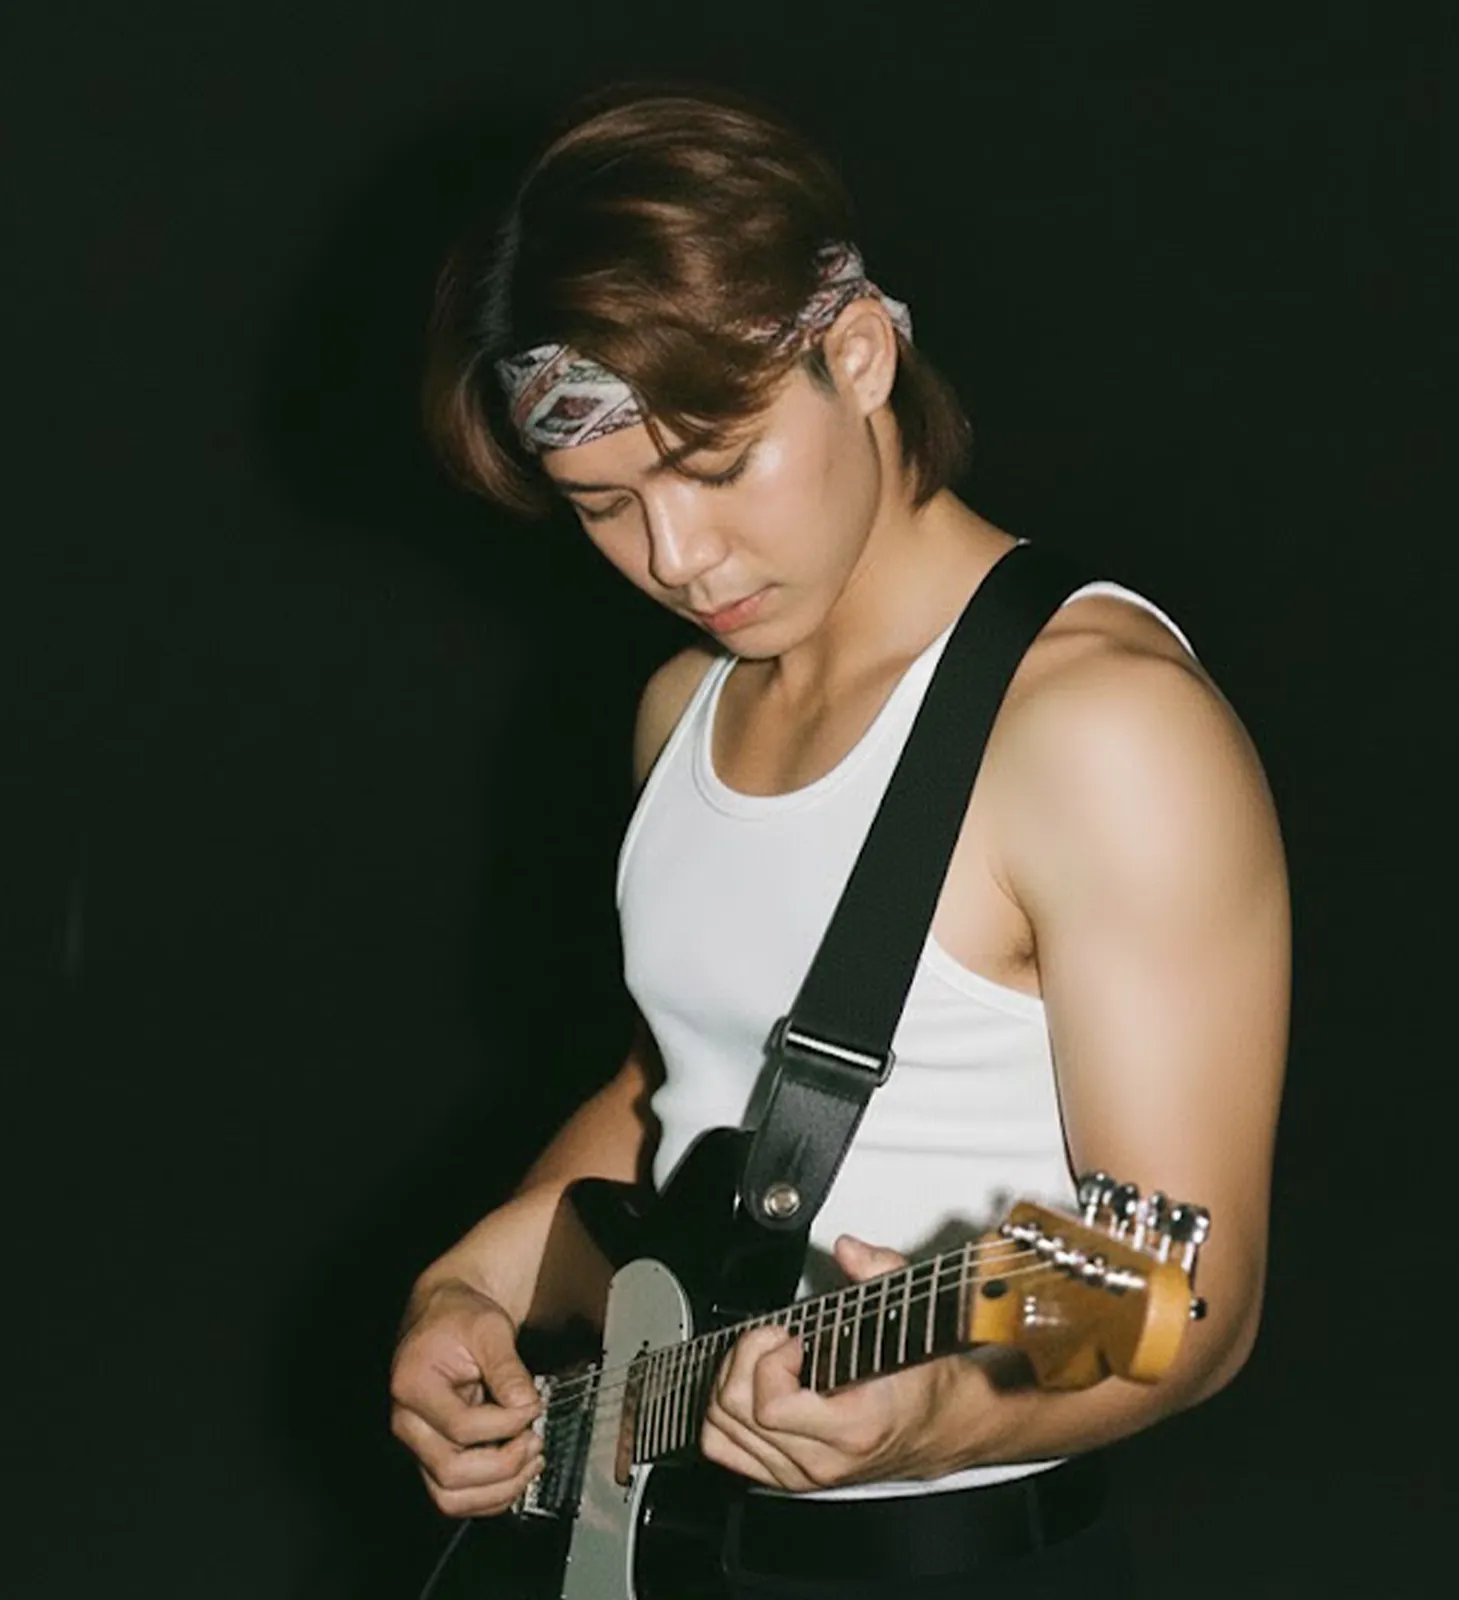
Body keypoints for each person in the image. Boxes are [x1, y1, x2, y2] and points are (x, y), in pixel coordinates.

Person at [389, 86, 1290, 1598]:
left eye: (716, 465)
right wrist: (472, 1283)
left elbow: (1191, 1292)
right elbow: (684, 1080)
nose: (677, 558)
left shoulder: (1100, 732)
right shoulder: (683, 707)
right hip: (671, 1544)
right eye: (603, 506)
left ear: (860, 353)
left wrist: (939, 1412)